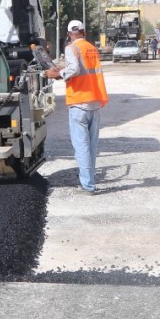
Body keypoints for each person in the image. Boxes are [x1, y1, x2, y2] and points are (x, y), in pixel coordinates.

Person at [45, 20, 109, 194]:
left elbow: (74, 69)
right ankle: (90, 181)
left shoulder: (71, 48)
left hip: (79, 102)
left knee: (81, 145)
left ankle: (88, 185)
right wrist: (62, 69)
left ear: (69, 34)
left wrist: (58, 74)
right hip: (94, 101)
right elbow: (82, 68)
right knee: (92, 145)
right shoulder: (91, 48)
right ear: (84, 31)